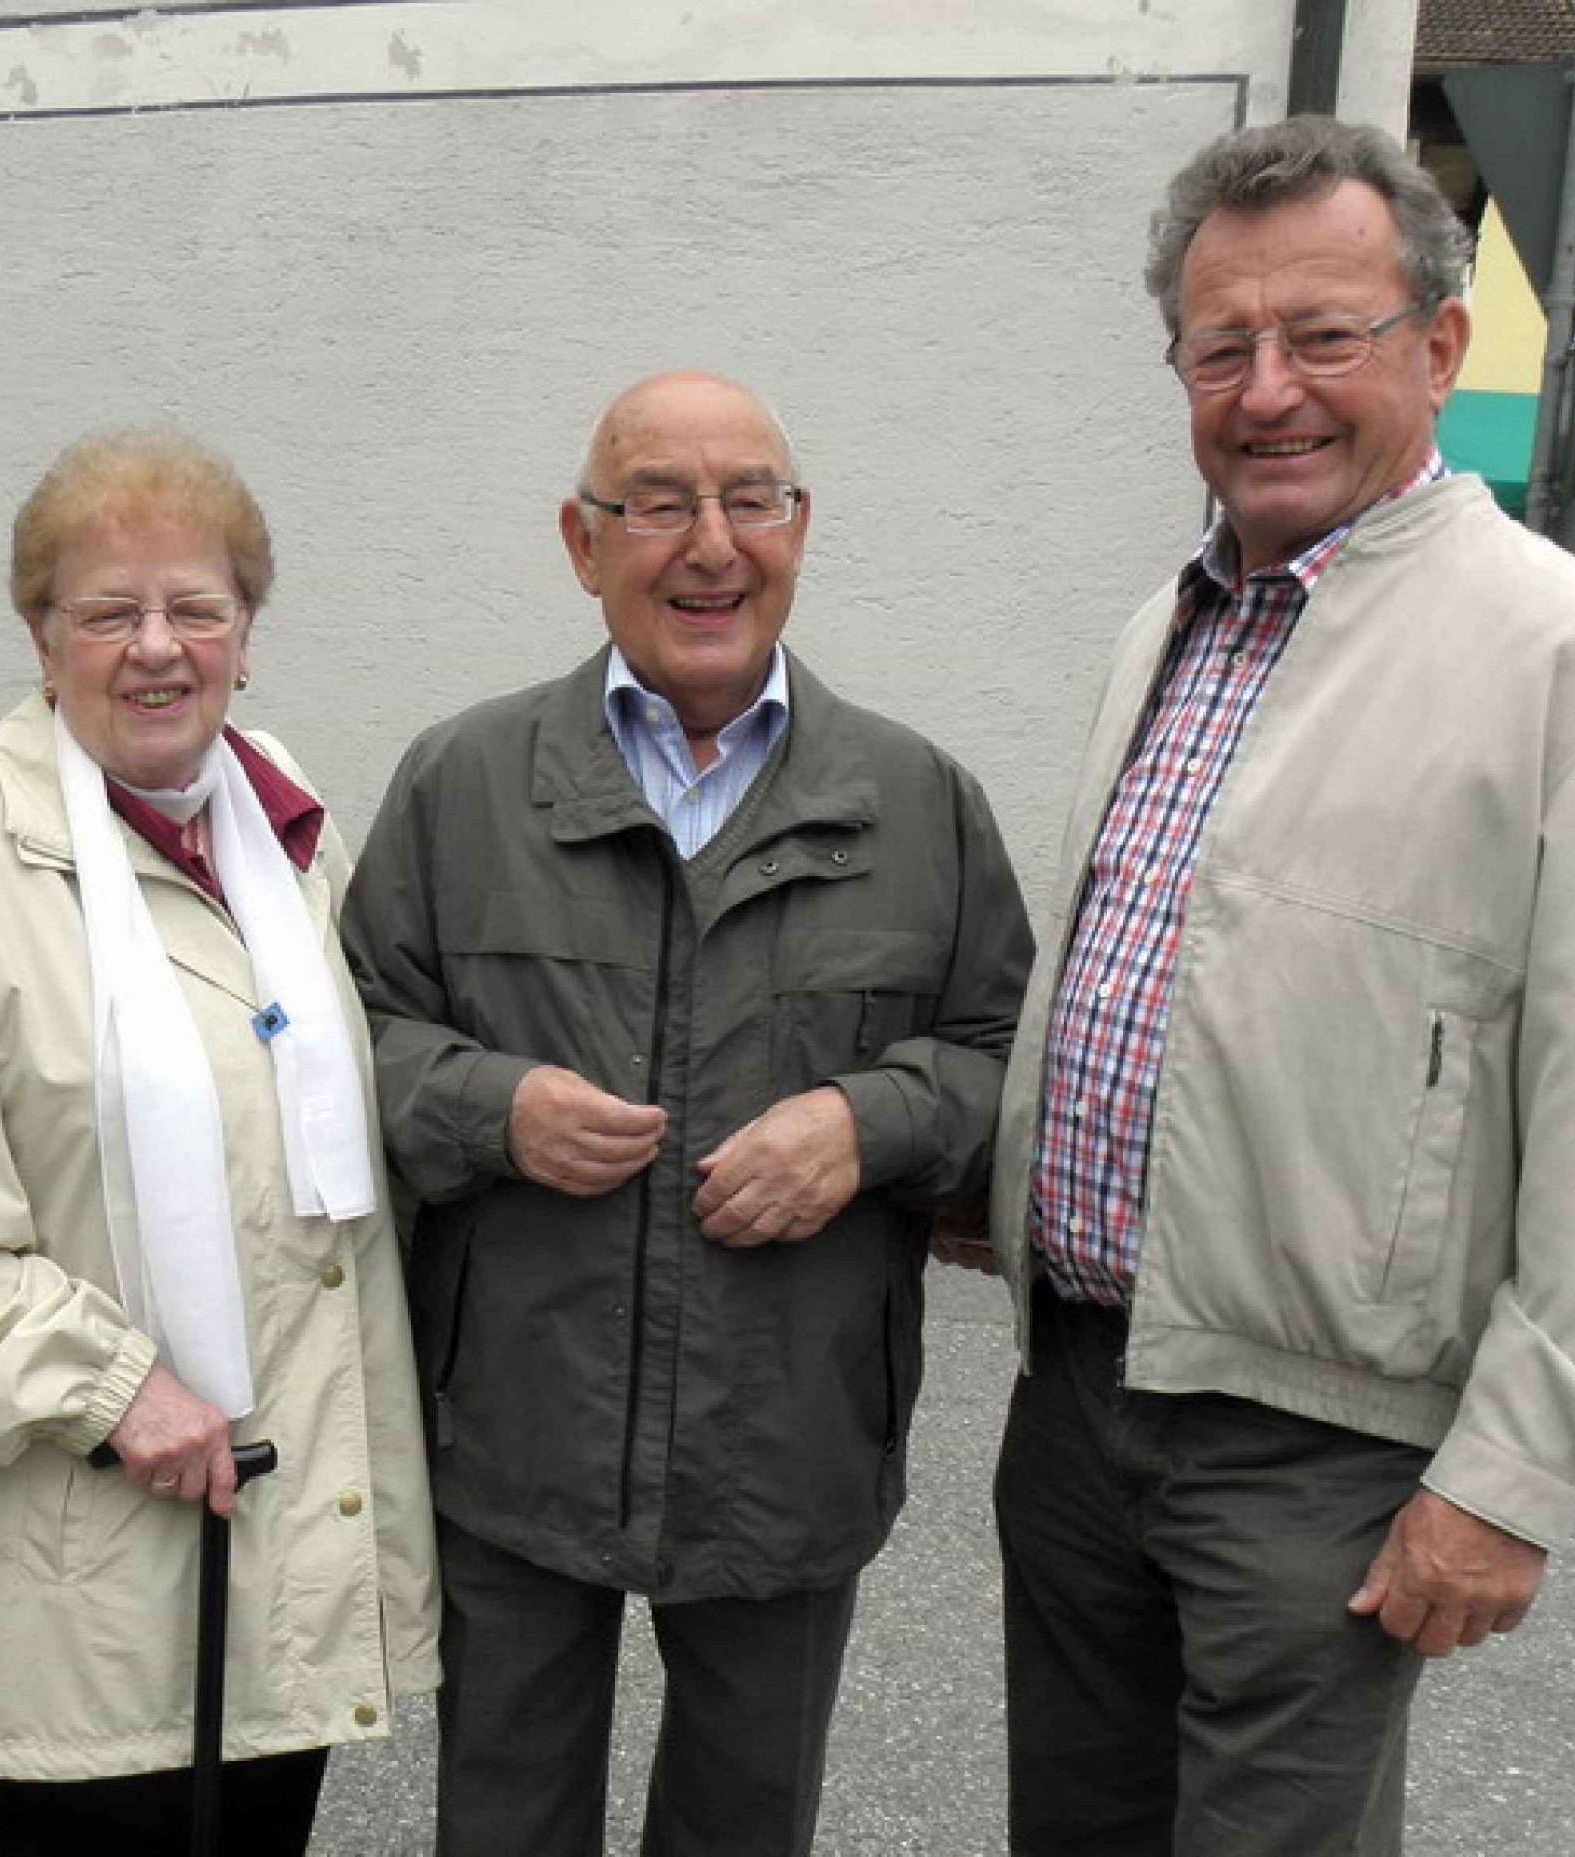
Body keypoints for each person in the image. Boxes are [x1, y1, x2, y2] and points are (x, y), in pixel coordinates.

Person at [985, 116, 1575, 1855]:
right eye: (1221, 348)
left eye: (1323, 335)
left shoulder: (1573, 659)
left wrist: (1511, 1476)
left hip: (1319, 1445)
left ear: (1441, 344)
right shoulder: (1174, 619)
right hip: (1082, 1399)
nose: (1267, 390)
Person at [342, 370, 1034, 1855]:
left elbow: (1003, 1062)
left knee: (744, 1823)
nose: (712, 544)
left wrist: (866, 1123)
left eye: (749, 501)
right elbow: (354, 1040)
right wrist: (490, 1105)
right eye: (658, 504)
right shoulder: (465, 784)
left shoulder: (920, 801)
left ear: (800, 528)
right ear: (582, 543)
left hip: (789, 1433)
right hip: (518, 1422)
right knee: (504, 1824)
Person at [0, 429, 440, 1855]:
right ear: (41, 637)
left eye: (196, 607)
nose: (158, 647)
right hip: (78, 1542)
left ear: (246, 635)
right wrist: (113, 1384)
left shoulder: (282, 824)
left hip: (280, 1530)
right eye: (109, 612)